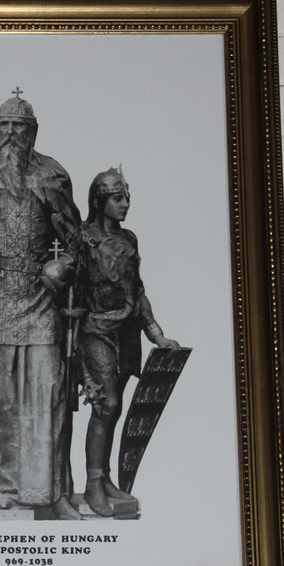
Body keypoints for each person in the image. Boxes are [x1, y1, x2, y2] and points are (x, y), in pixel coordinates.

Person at [0, 92, 83, 519]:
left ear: (33, 131)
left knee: (48, 393)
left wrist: (62, 266)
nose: (10, 134)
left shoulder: (52, 174)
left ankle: (52, 490)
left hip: (40, 300)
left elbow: (74, 237)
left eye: (18, 126)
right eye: (3, 126)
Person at [75, 167, 180, 516]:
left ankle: (104, 478)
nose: (125, 204)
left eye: (127, 198)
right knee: (105, 405)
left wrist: (155, 332)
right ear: (99, 201)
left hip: (127, 329)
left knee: (115, 406)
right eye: (118, 198)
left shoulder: (129, 239)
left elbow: (137, 288)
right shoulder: (82, 237)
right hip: (95, 329)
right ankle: (93, 484)